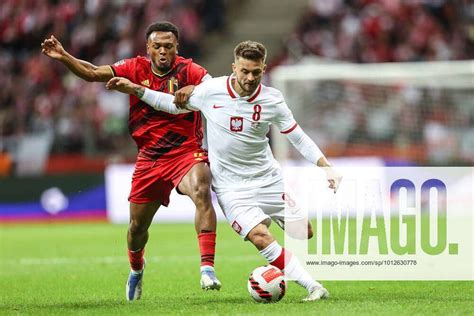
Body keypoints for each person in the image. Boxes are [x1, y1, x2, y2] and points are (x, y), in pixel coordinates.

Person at [106, 40, 342, 301]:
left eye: (256, 72)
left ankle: (275, 246)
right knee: (260, 237)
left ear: (264, 69)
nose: (250, 78)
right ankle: (313, 286)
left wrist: (325, 166)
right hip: (231, 188)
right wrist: (136, 89)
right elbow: (170, 104)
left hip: (268, 180)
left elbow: (296, 136)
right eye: (244, 71)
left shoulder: (272, 99)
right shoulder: (211, 90)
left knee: (303, 232)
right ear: (234, 68)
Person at [41, 21, 221, 301]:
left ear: (177, 47)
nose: (163, 51)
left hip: (186, 152)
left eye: (169, 46)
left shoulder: (190, 71)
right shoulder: (133, 67)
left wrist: (198, 92)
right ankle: (136, 270)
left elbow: (217, 88)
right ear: (148, 47)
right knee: (137, 228)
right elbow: (91, 73)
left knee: (201, 189)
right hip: (149, 158)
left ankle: (207, 268)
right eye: (157, 46)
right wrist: (64, 56)